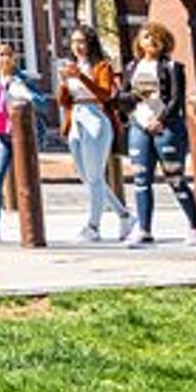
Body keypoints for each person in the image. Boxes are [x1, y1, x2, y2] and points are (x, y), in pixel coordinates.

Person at [124, 21, 196, 249]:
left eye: (157, 36)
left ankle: (195, 227)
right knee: (140, 179)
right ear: (139, 41)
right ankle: (144, 229)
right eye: (146, 36)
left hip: (166, 127)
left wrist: (161, 120)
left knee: (175, 178)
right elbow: (125, 97)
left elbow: (176, 99)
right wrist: (132, 100)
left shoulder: (172, 66)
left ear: (164, 41)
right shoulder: (132, 67)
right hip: (140, 126)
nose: (151, 40)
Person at [57, 25, 134, 243]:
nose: (77, 46)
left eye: (81, 41)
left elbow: (104, 94)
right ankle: (125, 215)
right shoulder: (72, 66)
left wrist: (81, 76)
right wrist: (64, 82)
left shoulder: (101, 66)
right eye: (73, 42)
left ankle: (93, 226)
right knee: (88, 177)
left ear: (90, 43)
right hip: (76, 118)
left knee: (95, 176)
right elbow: (63, 101)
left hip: (95, 117)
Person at [0, 42, 38, 242]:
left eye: (9, 54)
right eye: (1, 54)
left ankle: (32, 225)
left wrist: (26, 95)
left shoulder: (22, 79)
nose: (5, 58)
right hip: (2, 135)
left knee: (28, 181)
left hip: (22, 135)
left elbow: (40, 102)